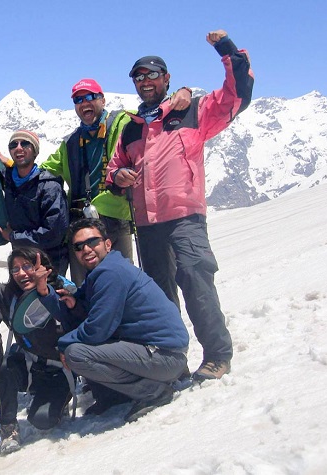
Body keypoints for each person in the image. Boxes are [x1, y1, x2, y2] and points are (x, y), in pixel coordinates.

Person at [107, 30, 254, 381]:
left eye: (152, 75)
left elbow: (238, 94)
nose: (145, 81)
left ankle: (217, 354)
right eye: (139, 77)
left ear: (167, 78)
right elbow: (113, 170)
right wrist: (120, 177)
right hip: (147, 224)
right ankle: (172, 362)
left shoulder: (193, 111)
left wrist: (226, 49)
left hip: (186, 217)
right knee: (159, 296)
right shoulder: (131, 129)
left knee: (195, 279)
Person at [40, 78, 192, 285]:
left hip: (115, 218)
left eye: (90, 97)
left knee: (122, 280)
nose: (84, 103)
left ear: (102, 100)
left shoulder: (123, 123)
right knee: (85, 285)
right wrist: (11, 166)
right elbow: (44, 170)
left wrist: (183, 91)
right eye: (78, 100)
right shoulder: (71, 143)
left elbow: (154, 112)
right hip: (81, 222)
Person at [41, 218, 190, 422]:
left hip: (165, 356)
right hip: (155, 352)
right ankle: (115, 394)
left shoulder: (111, 273)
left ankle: (152, 391)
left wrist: (63, 344)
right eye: (79, 246)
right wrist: (45, 292)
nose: (86, 249)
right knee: (78, 340)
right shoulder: (100, 273)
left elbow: (96, 330)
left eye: (92, 242)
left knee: (76, 353)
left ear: (107, 244)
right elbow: (76, 312)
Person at [0, 235, 77, 453]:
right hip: (30, 365)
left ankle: (61, 399)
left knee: (42, 420)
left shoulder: (63, 291)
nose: (22, 273)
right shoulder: (9, 295)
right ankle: (8, 427)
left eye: (27, 266)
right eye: (15, 269)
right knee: (5, 366)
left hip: (59, 370)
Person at [0, 89, 70, 275]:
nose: (19, 148)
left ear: (35, 151)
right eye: (13, 145)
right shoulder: (8, 179)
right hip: (21, 262)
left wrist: (14, 236)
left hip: (49, 263)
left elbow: (54, 232)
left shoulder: (49, 186)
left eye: (25, 144)